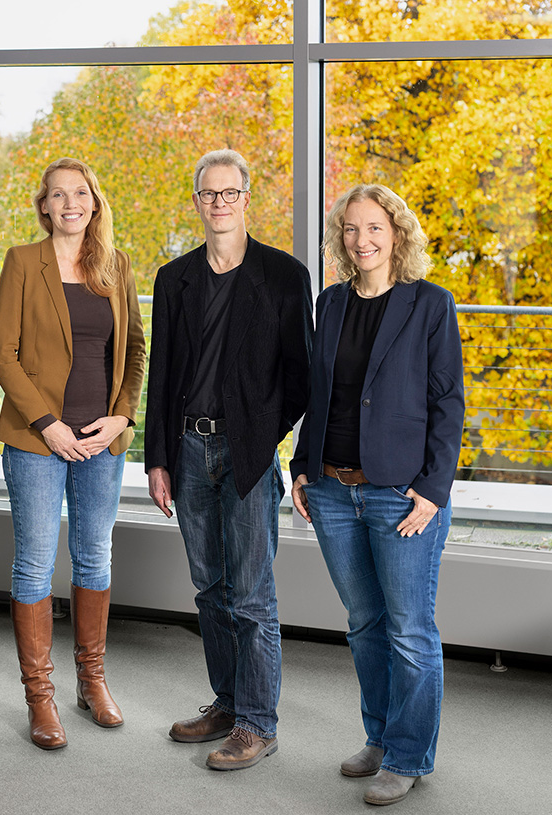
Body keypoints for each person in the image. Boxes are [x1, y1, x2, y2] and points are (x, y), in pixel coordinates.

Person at [290, 184, 464, 806]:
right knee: (365, 625)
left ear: (396, 235)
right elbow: (319, 394)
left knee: (410, 630)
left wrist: (433, 490)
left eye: (374, 228)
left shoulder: (430, 304)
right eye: (351, 229)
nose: (362, 240)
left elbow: (448, 403)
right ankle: (380, 737)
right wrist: (301, 467)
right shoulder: (331, 302)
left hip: (401, 494)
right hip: (332, 489)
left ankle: (409, 756)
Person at [145, 149, 313, 771]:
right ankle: (227, 702)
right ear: (197, 202)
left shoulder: (283, 276)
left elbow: (300, 377)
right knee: (209, 589)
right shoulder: (174, 278)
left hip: (247, 454)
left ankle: (257, 723)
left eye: (229, 193)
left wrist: (262, 435)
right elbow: (162, 376)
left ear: (246, 199)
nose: (219, 203)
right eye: (208, 194)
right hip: (188, 450)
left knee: (252, 595)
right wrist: (157, 460)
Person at [0, 158, 146, 750]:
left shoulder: (117, 265)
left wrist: (122, 417)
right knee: (34, 564)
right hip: (38, 441)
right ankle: (40, 697)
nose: (70, 203)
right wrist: (48, 424)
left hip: (102, 442)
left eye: (80, 192)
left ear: (94, 202)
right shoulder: (22, 261)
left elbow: (135, 350)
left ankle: (92, 681)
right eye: (58, 194)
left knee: (94, 558)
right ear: (44, 206)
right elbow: (1, 353)